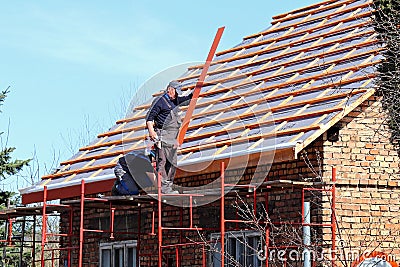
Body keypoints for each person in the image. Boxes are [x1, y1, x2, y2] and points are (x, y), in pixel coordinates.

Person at [146, 80, 193, 194]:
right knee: (162, 160)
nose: (177, 94)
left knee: (172, 162)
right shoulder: (160, 102)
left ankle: (168, 186)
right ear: (170, 90)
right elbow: (149, 118)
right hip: (162, 135)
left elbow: (186, 100)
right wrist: (152, 132)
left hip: (172, 136)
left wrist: (195, 92)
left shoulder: (175, 100)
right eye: (176, 92)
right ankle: (163, 187)